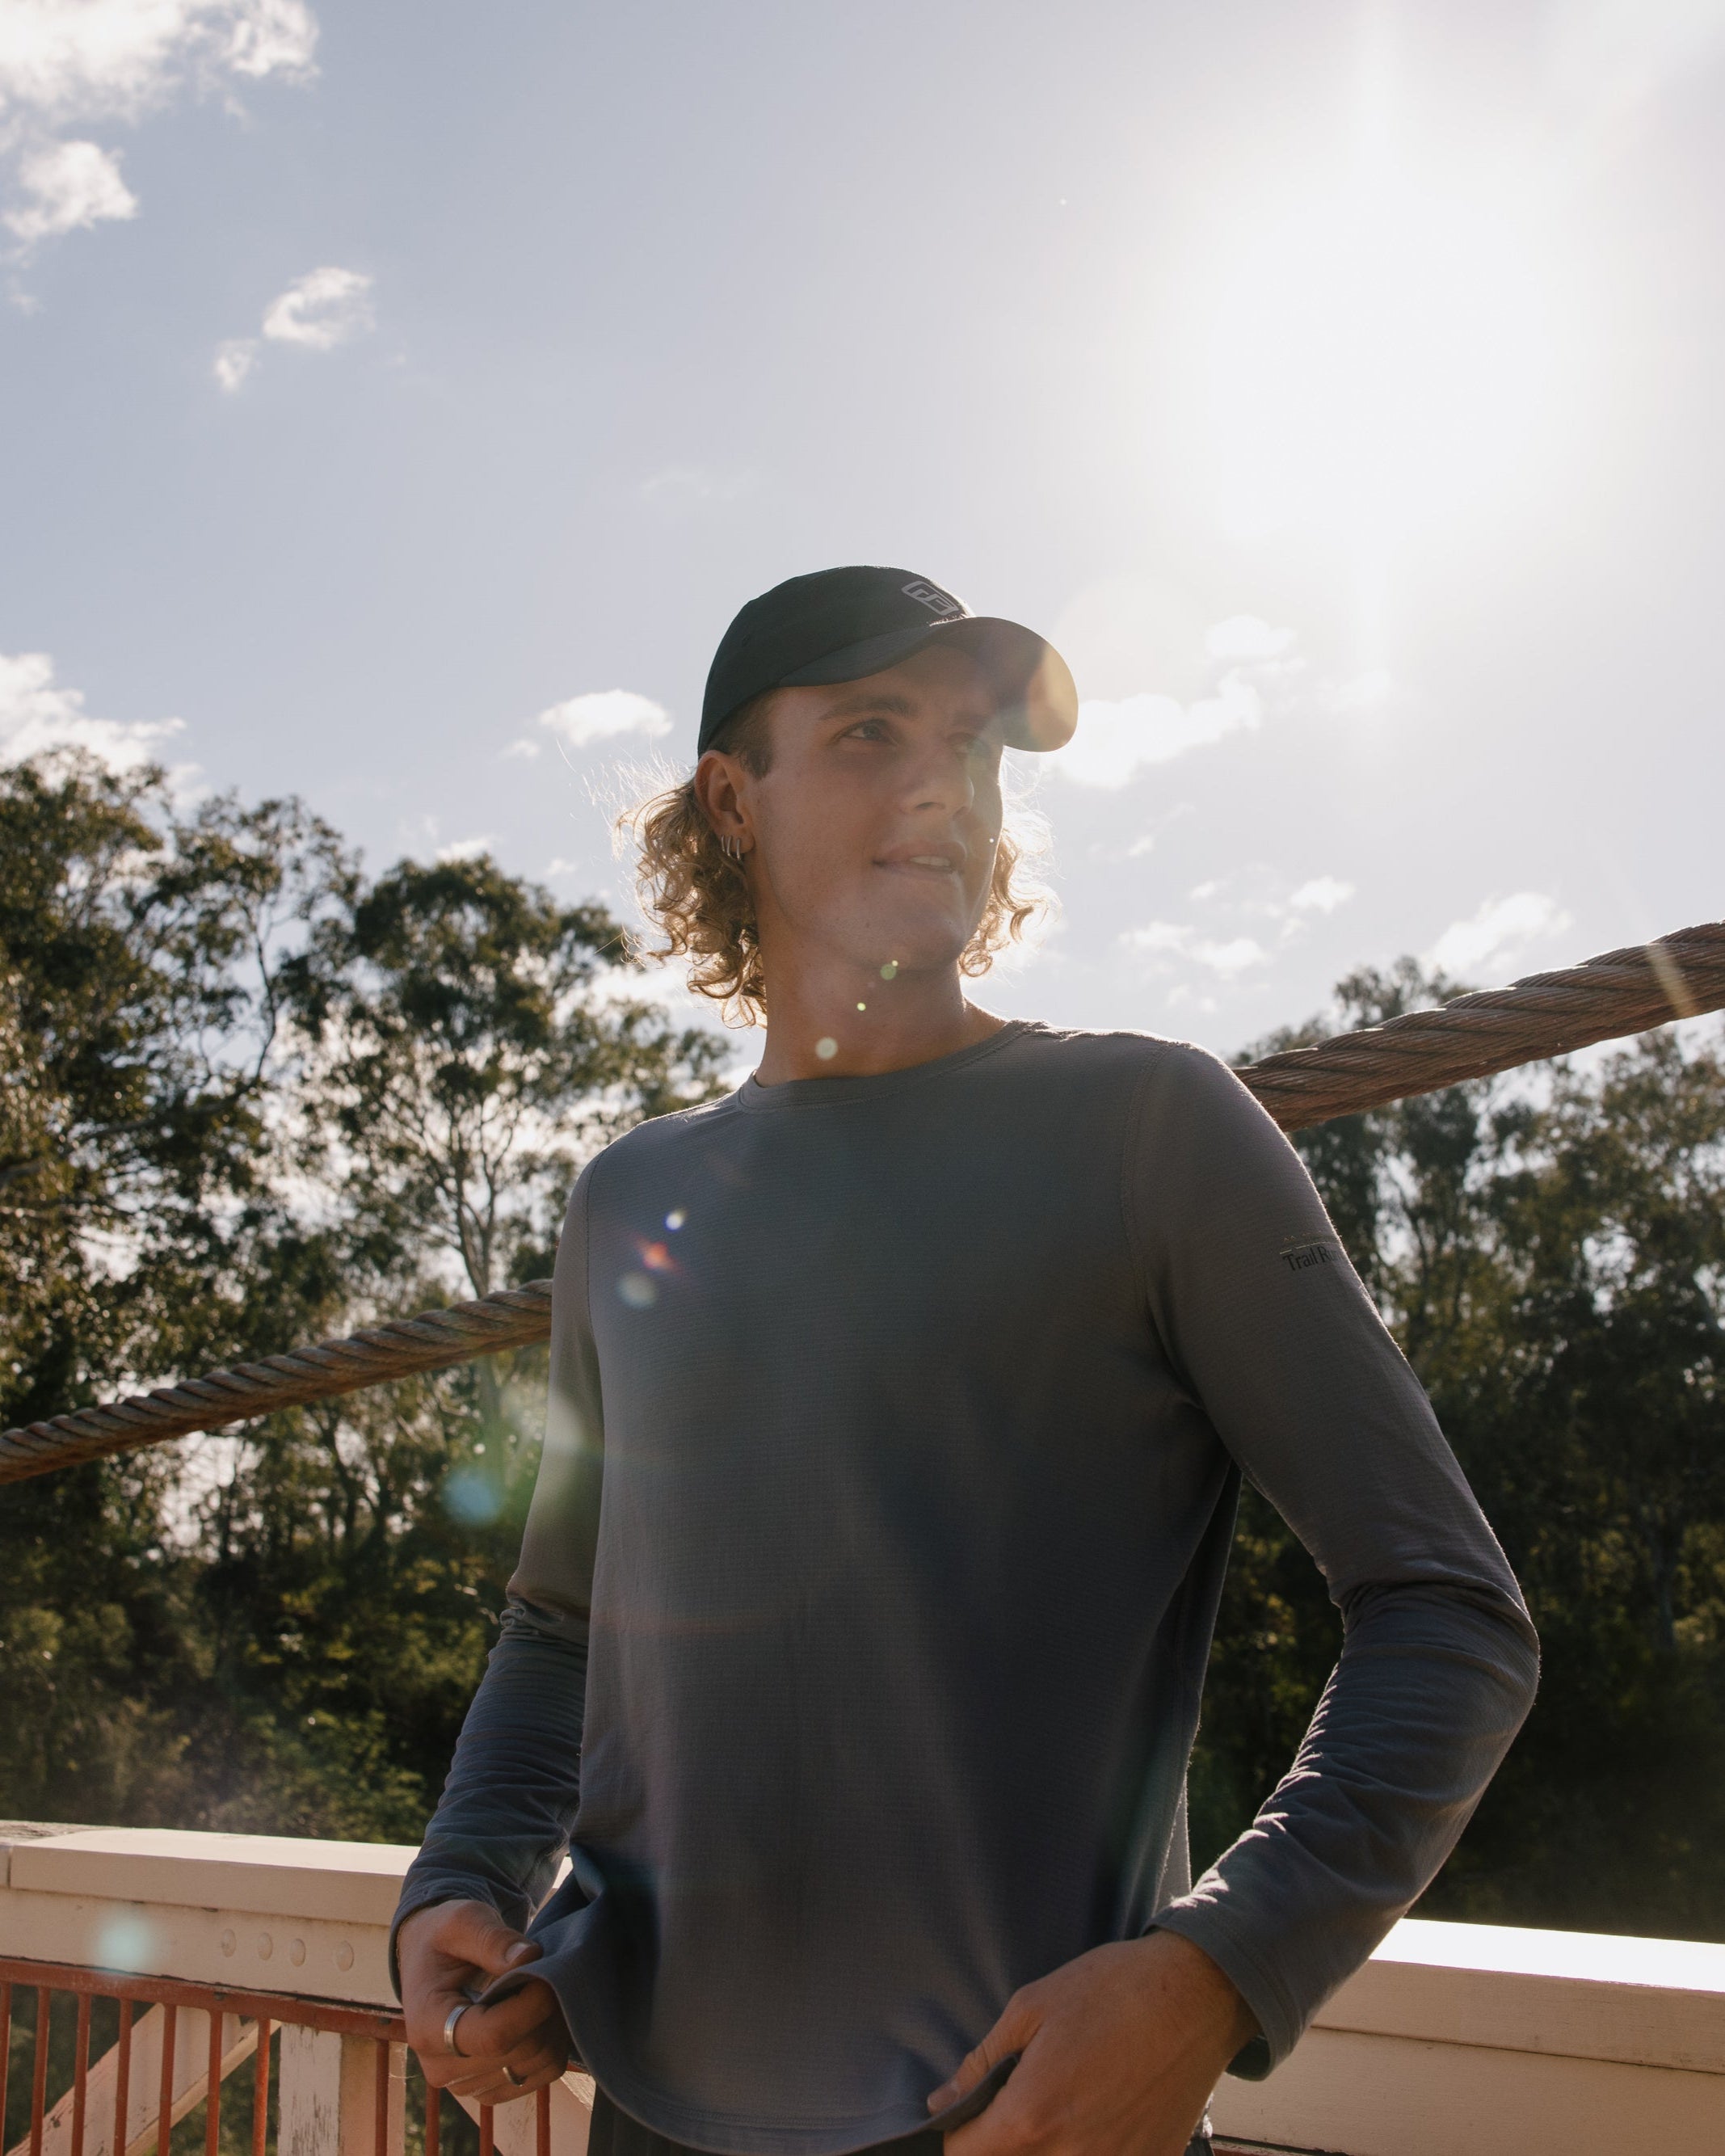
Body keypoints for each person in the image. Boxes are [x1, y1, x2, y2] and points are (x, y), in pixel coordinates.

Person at [391, 566, 1538, 2156]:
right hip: (647, 2116)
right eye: (872, 731)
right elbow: (565, 1627)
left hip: (1024, 2122)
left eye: (975, 745)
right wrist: (462, 1874)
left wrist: (1216, 1971)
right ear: (731, 799)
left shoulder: (1151, 1129)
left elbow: (1449, 1613)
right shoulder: (630, 1201)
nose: (945, 784)